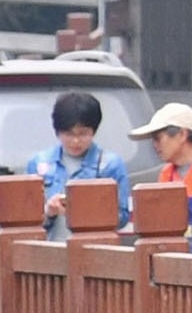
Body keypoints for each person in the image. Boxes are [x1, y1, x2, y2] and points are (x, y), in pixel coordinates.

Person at [32, 90, 129, 233]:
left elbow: (122, 217)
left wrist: (84, 212)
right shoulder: (39, 163)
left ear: (93, 131)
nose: (75, 141)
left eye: (83, 133)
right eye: (69, 134)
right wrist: (49, 211)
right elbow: (28, 219)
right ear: (58, 132)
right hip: (50, 248)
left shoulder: (110, 165)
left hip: (93, 249)